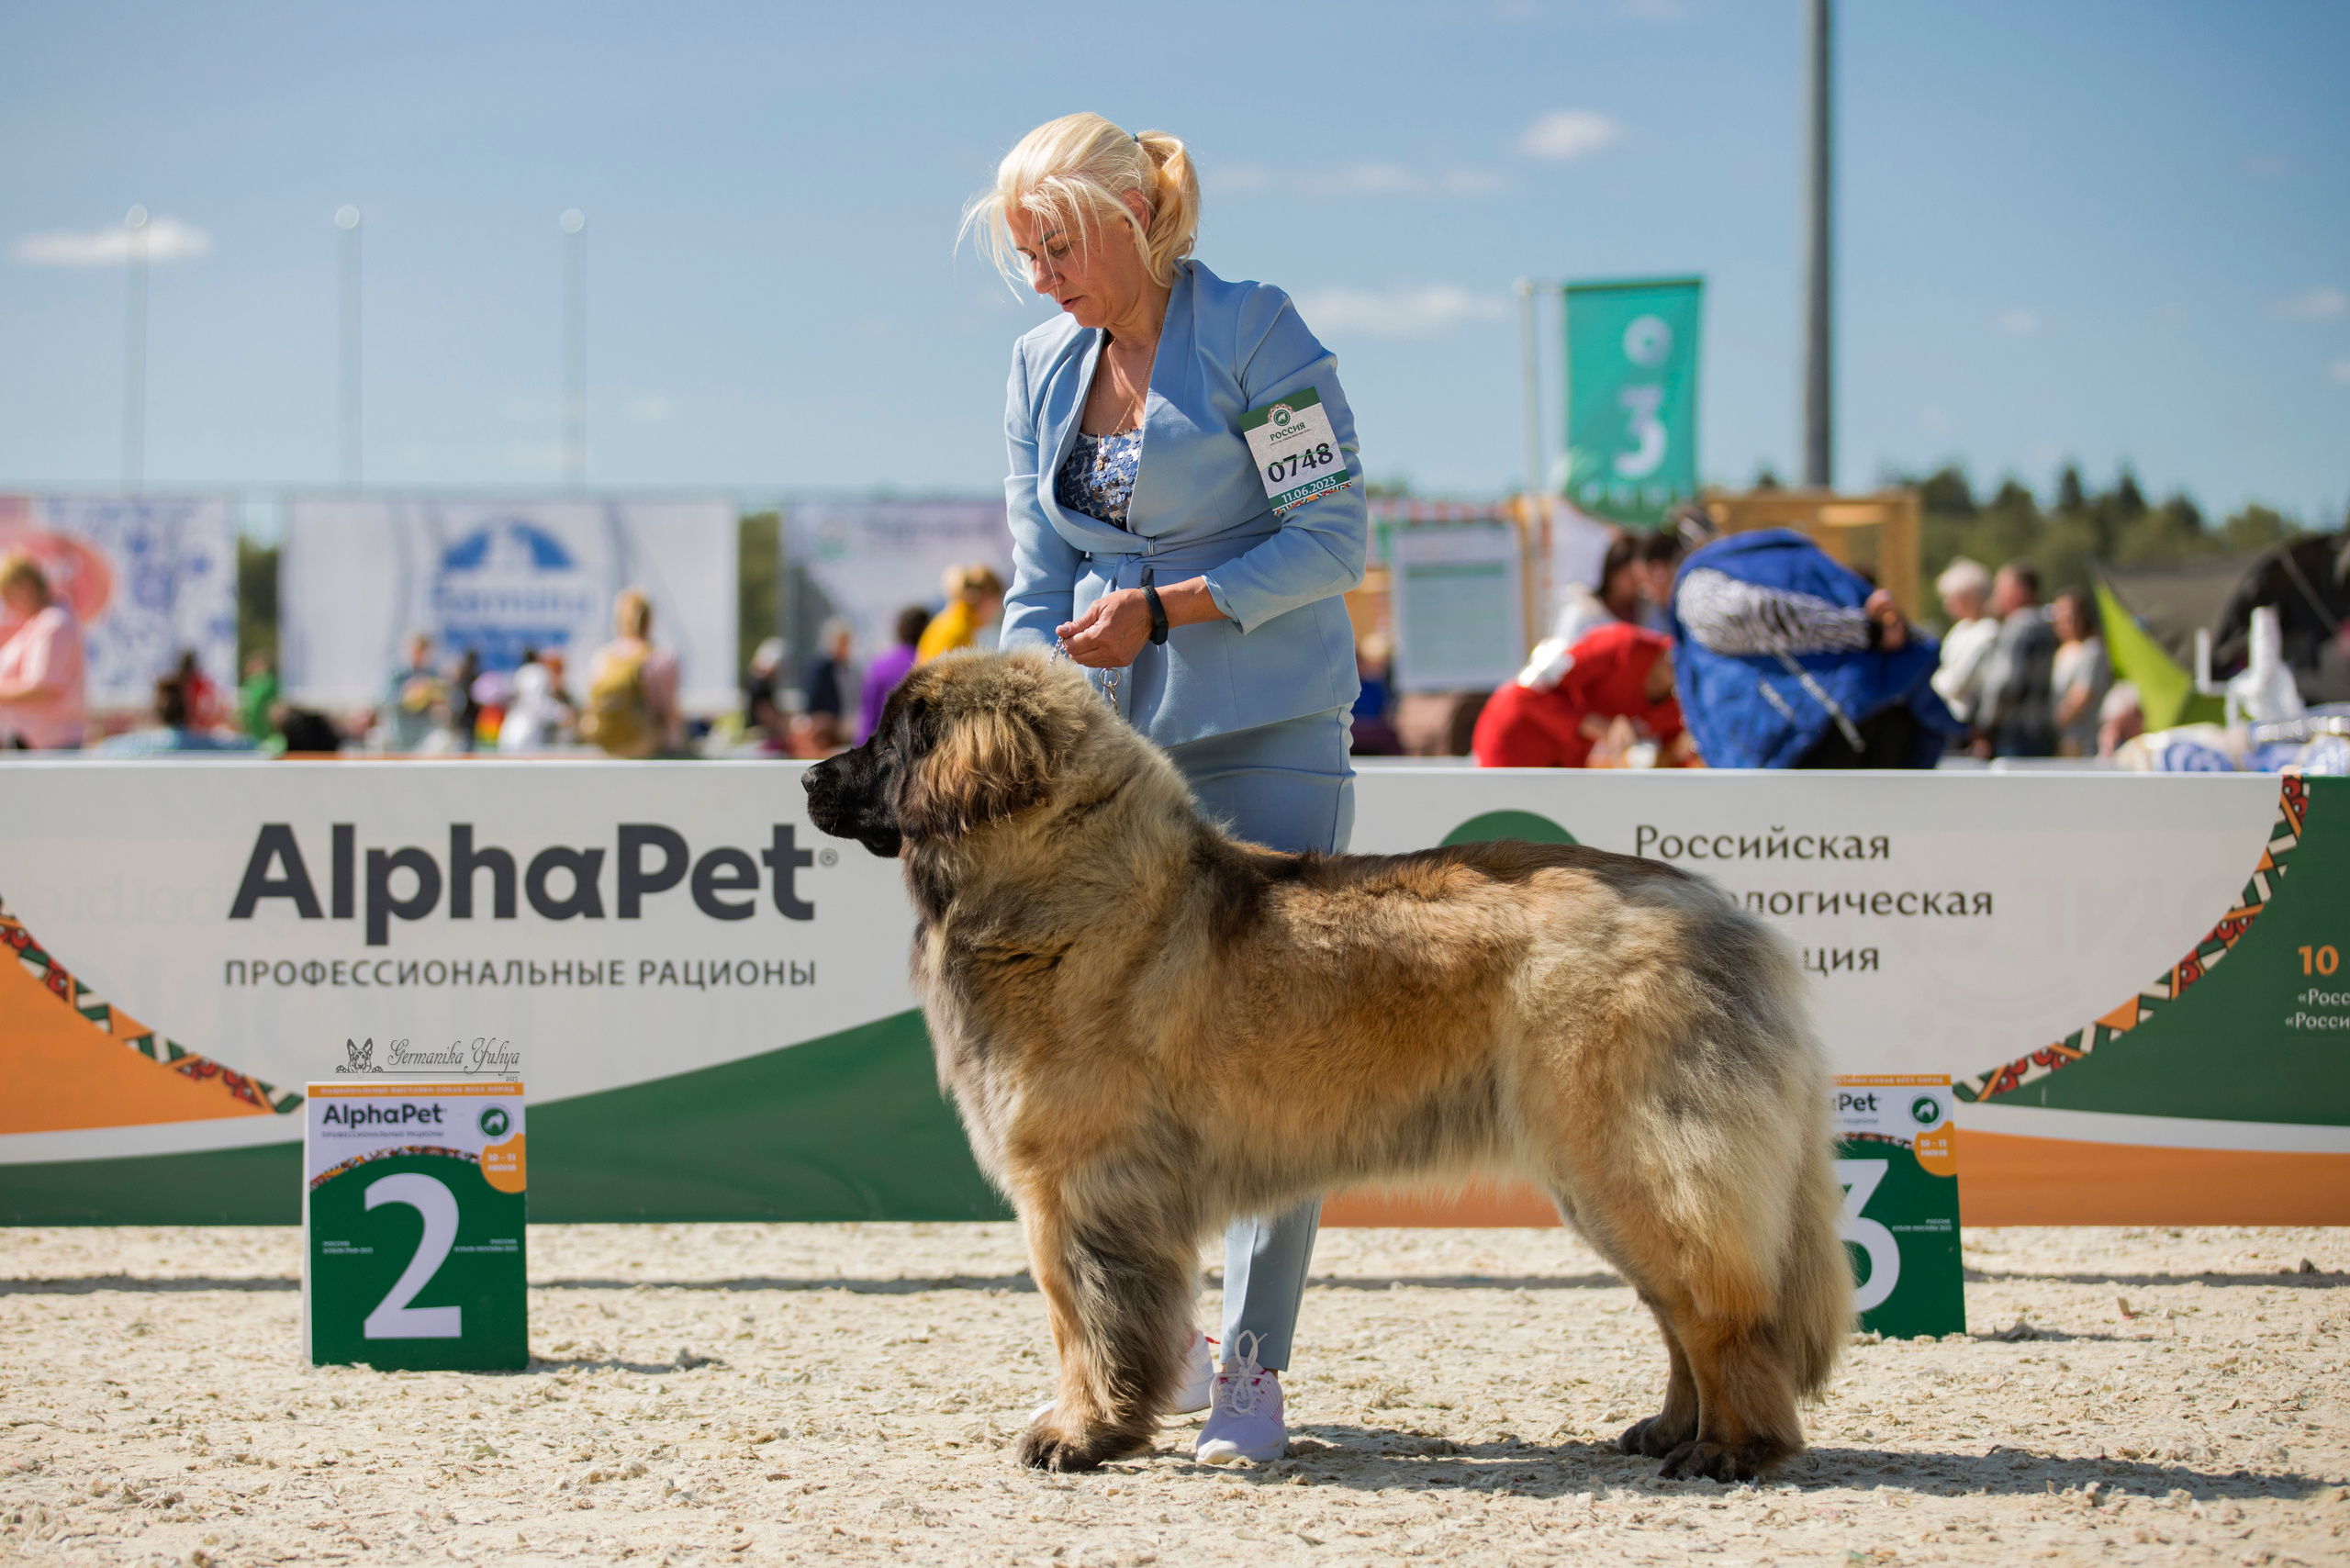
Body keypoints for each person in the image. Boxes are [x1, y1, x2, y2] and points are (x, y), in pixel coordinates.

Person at [970, 111, 1366, 1463]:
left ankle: (1254, 1370)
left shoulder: (1256, 328)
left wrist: (1169, 604)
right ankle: (1163, 1353)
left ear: (1136, 214)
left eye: (1059, 244)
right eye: (1026, 253)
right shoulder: (1036, 367)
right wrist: (1030, 713)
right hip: (1112, 772)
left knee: (1279, 1066)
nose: (1042, 277)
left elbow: (1334, 538)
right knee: (1108, 1075)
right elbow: (1033, 584)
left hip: (1272, 733)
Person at [1668, 528, 1962, 767]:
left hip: (1814, 729)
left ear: (1658, 569)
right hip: (1882, 702)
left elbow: (1749, 615)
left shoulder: (1697, 580)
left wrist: (1863, 630)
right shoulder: (1786, 553)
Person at [1472, 622, 1688, 767]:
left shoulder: (1685, 700)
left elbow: (1669, 756)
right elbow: (1527, 687)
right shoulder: (1622, 643)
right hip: (1513, 738)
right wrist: (1599, 726)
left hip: (1562, 768)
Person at [0, 553, 87, 750]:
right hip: (36, 744)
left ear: (25, 587)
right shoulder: (39, 624)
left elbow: (44, 686)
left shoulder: (54, 624)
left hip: (52, 745)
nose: (8, 607)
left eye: (8, 597)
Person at [581, 588, 682, 758]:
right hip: (646, 747)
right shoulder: (660, 658)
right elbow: (669, 713)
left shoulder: (603, 657)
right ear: (649, 621)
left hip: (608, 746)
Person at [1975, 560, 2058, 758]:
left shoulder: (2019, 625)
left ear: (2020, 590)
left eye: (2001, 587)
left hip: (2016, 733)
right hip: (2042, 731)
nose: (1996, 594)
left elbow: (2005, 684)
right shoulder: (2043, 624)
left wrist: (1984, 724)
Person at [97, 672, 258, 756]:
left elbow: (104, 750)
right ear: (189, 709)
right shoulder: (207, 744)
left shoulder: (138, 746)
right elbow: (252, 747)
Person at [1928, 557, 1998, 731]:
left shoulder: (1988, 631)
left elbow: (1959, 681)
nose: (1947, 604)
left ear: (1973, 597)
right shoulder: (1960, 629)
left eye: (1953, 598)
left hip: (1964, 718)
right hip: (1944, 712)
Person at [1550, 533, 1647, 647]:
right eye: (1630, 575)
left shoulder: (1648, 611)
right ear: (1612, 572)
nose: (1636, 582)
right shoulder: (1583, 612)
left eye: (1641, 576)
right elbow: (1565, 653)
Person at [2049, 588, 2111, 759]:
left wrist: (2055, 723)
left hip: (2082, 739)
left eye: (2070, 617)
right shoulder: (2060, 650)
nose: (2064, 622)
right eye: (2059, 617)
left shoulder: (2092, 650)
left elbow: (2083, 695)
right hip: (2063, 739)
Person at [858, 605, 931, 745]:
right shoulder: (929, 664)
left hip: (884, 748)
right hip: (918, 750)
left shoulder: (878, 665)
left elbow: (868, 718)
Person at [916, 565, 1007, 663]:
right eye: (997, 604)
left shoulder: (946, 620)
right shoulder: (959, 630)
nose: (996, 613)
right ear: (987, 599)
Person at [498, 646, 572, 754]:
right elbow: (536, 703)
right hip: (525, 735)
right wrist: (562, 714)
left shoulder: (524, 671)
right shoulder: (537, 673)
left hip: (513, 731)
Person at [381, 632, 442, 752]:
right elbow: (384, 700)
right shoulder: (397, 674)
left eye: (424, 651)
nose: (420, 655)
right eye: (417, 650)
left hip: (424, 735)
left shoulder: (432, 675)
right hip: (400, 734)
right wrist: (407, 693)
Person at [800, 621, 856, 728]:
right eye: (841, 642)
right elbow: (814, 700)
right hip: (824, 728)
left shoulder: (847, 669)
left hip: (842, 725)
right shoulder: (820, 668)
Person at [237, 651, 281, 745]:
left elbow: (275, 703)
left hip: (265, 726)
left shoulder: (269, 682)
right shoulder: (248, 683)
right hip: (250, 728)